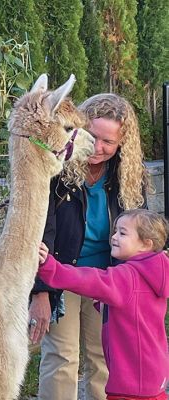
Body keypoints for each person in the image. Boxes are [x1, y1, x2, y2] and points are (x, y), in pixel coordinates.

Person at [28, 93, 149, 400]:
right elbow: (41, 230)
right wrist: (40, 290)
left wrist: (133, 287)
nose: (97, 148)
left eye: (108, 142)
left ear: (122, 144)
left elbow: (141, 237)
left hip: (108, 280)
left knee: (103, 357)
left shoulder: (129, 177)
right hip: (60, 274)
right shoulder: (58, 170)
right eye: (92, 136)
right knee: (62, 358)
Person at [37, 208, 169, 400]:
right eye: (115, 231)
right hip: (153, 376)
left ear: (146, 244)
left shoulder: (127, 276)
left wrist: (49, 266)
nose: (114, 237)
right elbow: (138, 309)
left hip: (130, 385)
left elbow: (86, 279)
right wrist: (105, 304)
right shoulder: (156, 272)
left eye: (122, 233)